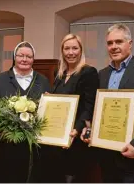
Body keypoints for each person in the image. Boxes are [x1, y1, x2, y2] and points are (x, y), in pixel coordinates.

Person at [81, 23, 134, 182]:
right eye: (110, 43)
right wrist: (90, 130)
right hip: (106, 156)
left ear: (130, 44)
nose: (114, 46)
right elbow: (99, 109)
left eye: (119, 42)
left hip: (132, 156)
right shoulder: (102, 74)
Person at [35, 34, 99, 183]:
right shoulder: (60, 74)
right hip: (58, 137)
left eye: (75, 48)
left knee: (71, 176)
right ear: (62, 51)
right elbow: (59, 100)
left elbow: (90, 105)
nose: (70, 52)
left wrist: (76, 130)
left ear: (81, 50)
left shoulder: (88, 72)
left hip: (75, 138)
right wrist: (49, 98)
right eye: (67, 48)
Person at [0, 41, 51, 183]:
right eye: (20, 55)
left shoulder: (43, 81)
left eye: (29, 56)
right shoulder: (0, 80)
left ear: (33, 59)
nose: (24, 59)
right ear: (14, 57)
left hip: (35, 147)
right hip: (6, 146)